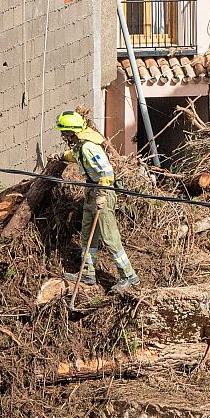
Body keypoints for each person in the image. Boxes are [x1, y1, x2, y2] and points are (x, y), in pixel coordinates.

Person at [57, 110, 138, 294]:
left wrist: (102, 194)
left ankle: (128, 275)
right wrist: (60, 157)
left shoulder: (88, 147)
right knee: (87, 233)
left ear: (72, 132)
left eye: (64, 132)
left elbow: (107, 172)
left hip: (102, 192)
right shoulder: (80, 146)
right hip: (91, 190)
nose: (63, 136)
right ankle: (87, 273)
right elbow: (74, 155)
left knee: (109, 237)